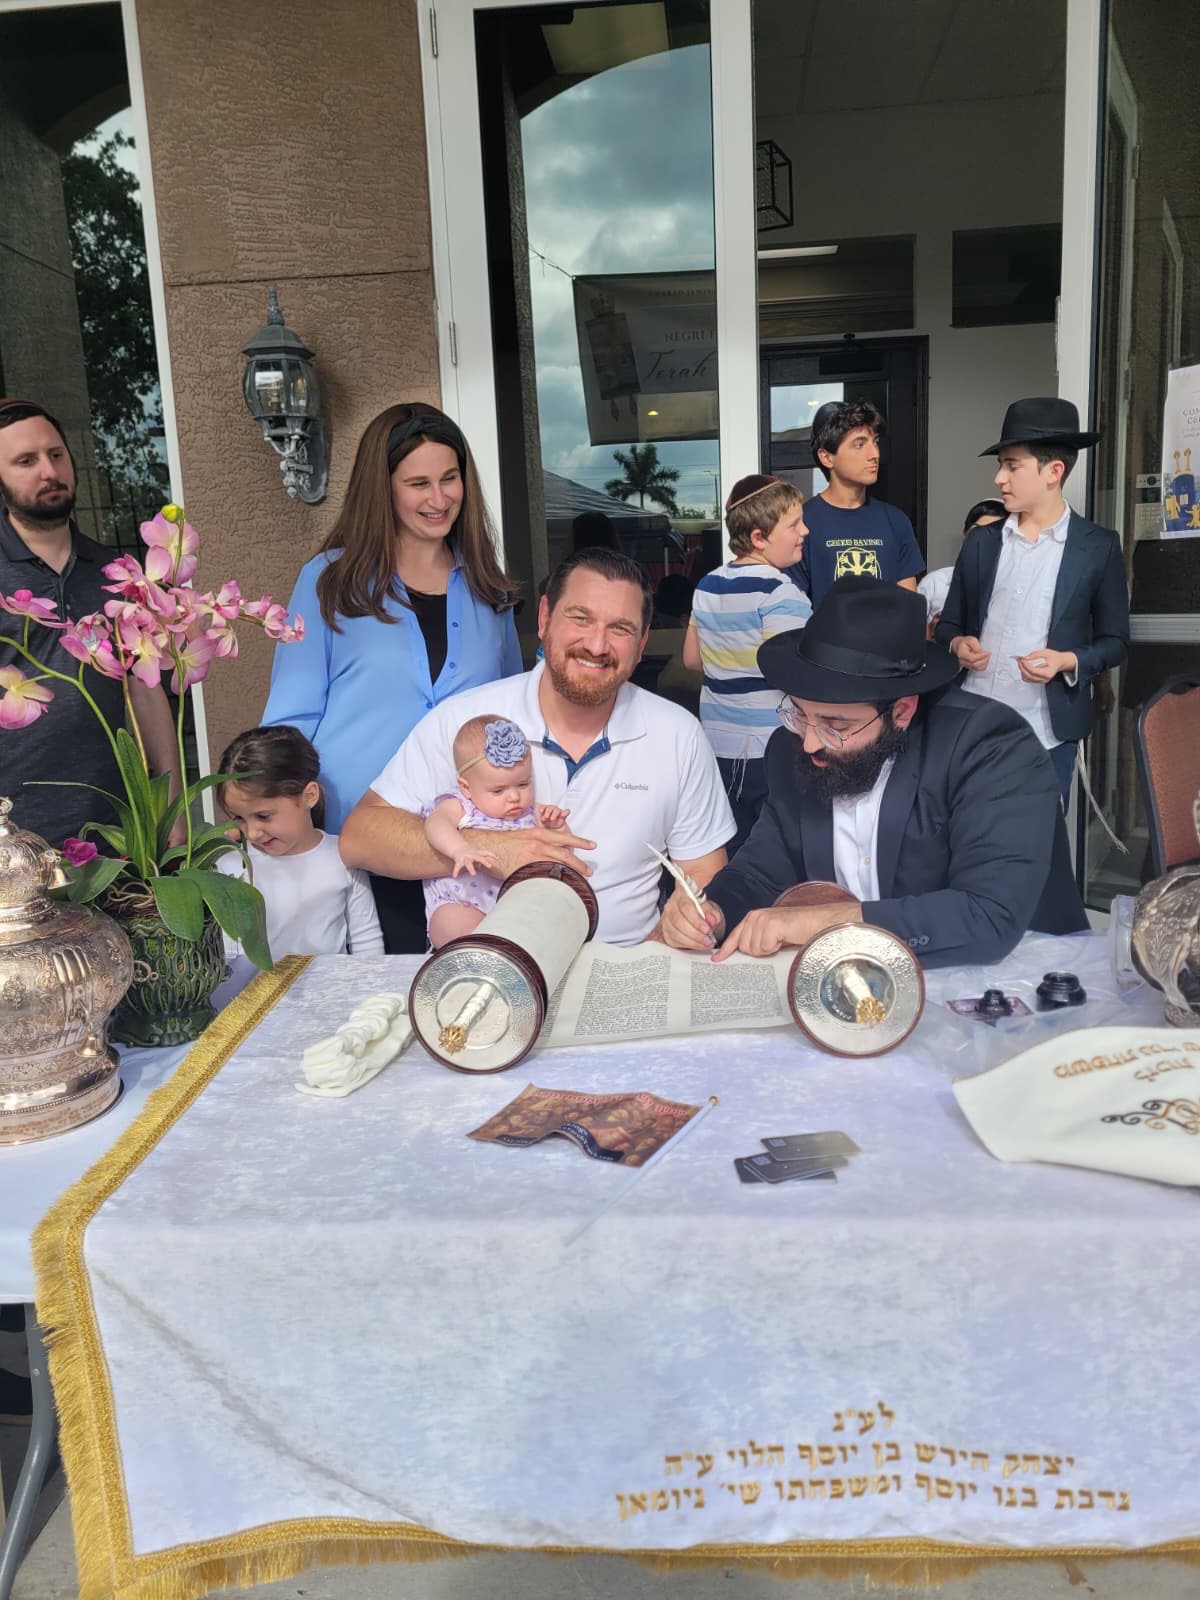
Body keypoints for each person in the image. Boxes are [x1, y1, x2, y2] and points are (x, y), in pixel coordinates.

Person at [658, 575, 1087, 967]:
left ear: (901, 711)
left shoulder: (990, 747)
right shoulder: (791, 749)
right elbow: (759, 871)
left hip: (1017, 982)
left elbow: (986, 916)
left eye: (835, 725)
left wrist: (821, 923)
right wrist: (713, 912)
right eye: (800, 714)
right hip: (856, 986)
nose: (809, 741)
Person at [340, 546, 735, 947]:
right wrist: (493, 847)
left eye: (620, 629)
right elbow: (360, 838)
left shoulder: (677, 734)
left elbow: (704, 872)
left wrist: (682, 926)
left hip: (628, 969)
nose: (597, 645)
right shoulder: (465, 720)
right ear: (545, 618)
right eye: (580, 618)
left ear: (642, 643)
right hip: (488, 974)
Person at [262, 402, 522, 953]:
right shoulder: (329, 581)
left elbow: (511, 718)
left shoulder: (487, 588)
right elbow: (290, 720)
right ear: (382, 490)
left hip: (463, 858)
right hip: (353, 847)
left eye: (450, 478)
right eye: (418, 483)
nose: (439, 498)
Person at [0, 398, 182, 848]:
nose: (48, 471)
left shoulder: (115, 573)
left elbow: (147, 693)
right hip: (13, 841)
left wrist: (174, 817)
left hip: (119, 833)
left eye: (56, 455)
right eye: (26, 461)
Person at [934, 399, 1130, 809]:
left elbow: (1116, 641)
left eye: (1012, 465)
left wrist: (1067, 661)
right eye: (1000, 465)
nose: (998, 478)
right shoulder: (982, 545)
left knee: (1035, 850)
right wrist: (957, 646)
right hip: (969, 723)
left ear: (1053, 472)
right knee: (963, 841)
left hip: (1046, 732)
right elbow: (949, 625)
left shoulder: (1098, 547)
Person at [683, 475, 811, 853]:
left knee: (732, 845)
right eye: (794, 524)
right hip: (770, 746)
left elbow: (692, 659)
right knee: (776, 849)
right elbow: (792, 672)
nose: (805, 530)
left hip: (717, 744)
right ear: (759, 537)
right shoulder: (781, 592)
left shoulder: (707, 584)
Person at [216, 724, 383, 960]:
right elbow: (229, 955)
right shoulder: (231, 866)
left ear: (309, 796)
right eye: (239, 819)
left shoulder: (343, 856)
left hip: (334, 993)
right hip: (257, 996)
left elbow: (367, 943)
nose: (252, 833)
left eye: (264, 816)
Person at [422, 714, 571, 947]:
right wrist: (460, 848)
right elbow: (435, 824)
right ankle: (478, 959)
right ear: (467, 787)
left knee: (545, 929)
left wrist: (558, 829)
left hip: (515, 911)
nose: (514, 797)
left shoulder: (531, 813)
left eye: (523, 784)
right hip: (463, 902)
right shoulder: (462, 804)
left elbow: (558, 855)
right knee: (453, 923)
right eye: (498, 790)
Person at [791, 399, 924, 606]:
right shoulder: (801, 523)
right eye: (860, 445)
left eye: (875, 442)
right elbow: (791, 609)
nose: (875, 454)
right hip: (825, 638)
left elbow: (909, 606)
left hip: (887, 639)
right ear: (826, 458)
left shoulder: (895, 521)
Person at [918, 498, 1006, 631]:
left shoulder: (1012, 584)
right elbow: (911, 635)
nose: (983, 541)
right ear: (965, 535)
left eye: (993, 534)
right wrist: (933, 629)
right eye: (977, 532)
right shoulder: (935, 582)